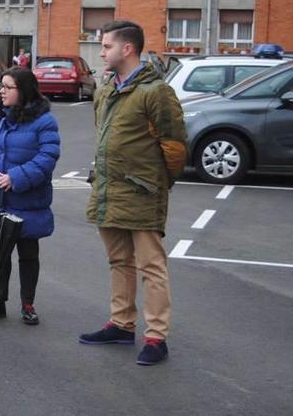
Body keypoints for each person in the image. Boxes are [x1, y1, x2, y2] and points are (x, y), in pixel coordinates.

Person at [79, 20, 187, 366]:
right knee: (118, 261)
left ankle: (156, 337)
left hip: (142, 193)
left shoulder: (156, 92)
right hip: (109, 190)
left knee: (151, 266)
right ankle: (122, 324)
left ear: (128, 49)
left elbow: (174, 147)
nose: (102, 52)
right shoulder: (106, 89)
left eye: (107, 46)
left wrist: (156, 183)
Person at [0, 67, 60, 324]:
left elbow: (47, 157)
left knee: (28, 254)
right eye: (1, 86)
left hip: (28, 201)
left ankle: (27, 304)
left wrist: (17, 177)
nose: (2, 92)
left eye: (8, 87)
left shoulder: (44, 121)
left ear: (24, 90)